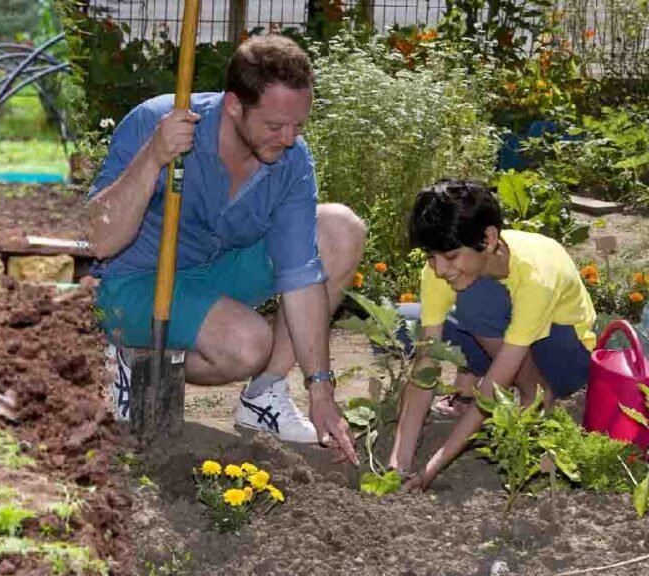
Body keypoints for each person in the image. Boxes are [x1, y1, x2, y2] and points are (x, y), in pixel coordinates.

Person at [87, 34, 365, 463]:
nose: (290, 139)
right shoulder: (159, 121)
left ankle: (265, 396)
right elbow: (99, 241)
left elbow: (302, 273)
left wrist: (320, 386)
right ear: (234, 105)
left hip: (214, 273)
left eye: (298, 126)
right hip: (133, 284)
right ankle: (129, 356)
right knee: (246, 343)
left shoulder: (290, 160)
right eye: (275, 126)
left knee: (339, 229)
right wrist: (153, 158)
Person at [390, 179, 595, 490]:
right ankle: (484, 384)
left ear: (488, 238)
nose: (440, 269)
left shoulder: (535, 276)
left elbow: (492, 391)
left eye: (450, 256)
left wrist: (431, 469)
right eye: (431, 257)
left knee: (475, 301)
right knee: (403, 322)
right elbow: (426, 364)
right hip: (511, 346)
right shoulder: (441, 270)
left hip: (566, 360)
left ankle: (536, 397)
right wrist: (399, 463)